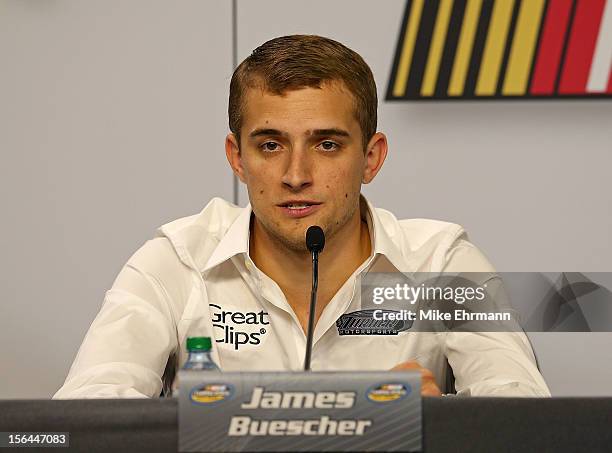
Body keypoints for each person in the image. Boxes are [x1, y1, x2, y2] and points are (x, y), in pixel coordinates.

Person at [54, 35, 550, 399]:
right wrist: (185, 429)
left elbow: (525, 413)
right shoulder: (175, 261)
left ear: (372, 158)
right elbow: (82, 417)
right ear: (236, 158)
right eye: (270, 145)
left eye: (327, 144)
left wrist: (445, 427)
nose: (296, 174)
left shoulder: (443, 263)